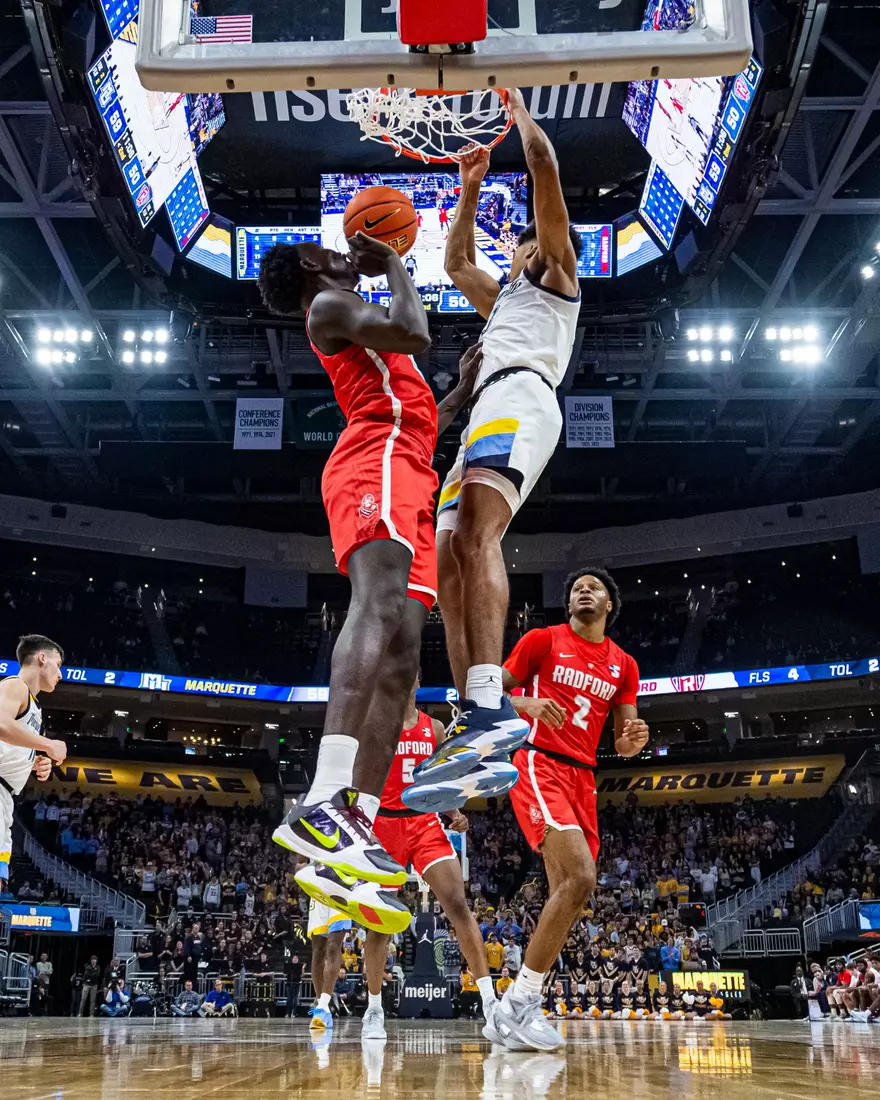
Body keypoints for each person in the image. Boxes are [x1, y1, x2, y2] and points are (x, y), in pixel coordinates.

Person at [258, 233, 480, 930]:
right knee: (379, 607)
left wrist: (464, 390)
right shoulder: (329, 302)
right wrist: (392, 265)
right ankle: (323, 796)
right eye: (322, 245)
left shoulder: (345, 307)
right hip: (373, 458)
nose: (337, 249)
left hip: (407, 461)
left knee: (406, 659)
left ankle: (352, 827)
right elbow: (413, 332)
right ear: (309, 266)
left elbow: (418, 417)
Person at [404, 88, 584, 815]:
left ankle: (489, 704)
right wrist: (470, 185)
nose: (531, 243)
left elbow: (542, 162)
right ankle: (471, 720)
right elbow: (453, 264)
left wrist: (515, 108)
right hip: (487, 408)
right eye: (523, 244)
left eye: (533, 239)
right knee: (448, 557)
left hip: (522, 400)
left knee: (477, 534)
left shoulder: (557, 280)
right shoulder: (506, 295)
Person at [476, 568, 646, 1051]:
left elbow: (625, 739)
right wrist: (524, 704)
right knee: (582, 877)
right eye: (575, 589)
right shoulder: (542, 640)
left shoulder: (624, 665)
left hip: (583, 777)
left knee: (569, 894)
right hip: (539, 762)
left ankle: (516, 1010)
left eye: (593, 587)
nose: (583, 592)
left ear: (609, 603)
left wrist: (633, 741)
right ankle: (518, 1003)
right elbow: (489, 695)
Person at [352, 674, 502, 1040]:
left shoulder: (433, 728)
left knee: (457, 903)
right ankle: (374, 1010)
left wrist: (454, 814)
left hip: (424, 825)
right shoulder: (374, 726)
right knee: (379, 921)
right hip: (383, 828)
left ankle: (490, 1004)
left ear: (417, 681)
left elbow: (442, 779)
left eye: (411, 674)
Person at [0, 634, 67, 897]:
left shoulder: (32, 705)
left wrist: (31, 762)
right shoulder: (15, 686)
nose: (60, 673)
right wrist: (48, 745)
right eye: (58, 664)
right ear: (42, 658)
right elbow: (1, 725)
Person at [306, 892, 353, 1032]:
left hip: (341, 886)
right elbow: (297, 869)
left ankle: (323, 1007)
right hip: (318, 889)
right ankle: (322, 1004)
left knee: (333, 945)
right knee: (318, 950)